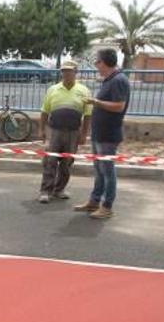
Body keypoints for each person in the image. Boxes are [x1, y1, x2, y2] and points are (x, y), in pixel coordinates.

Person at [74, 48, 130, 220]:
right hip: (100, 133)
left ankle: (107, 206)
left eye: (97, 61)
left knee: (107, 171)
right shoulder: (109, 80)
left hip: (108, 135)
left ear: (104, 62)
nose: (96, 65)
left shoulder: (119, 80)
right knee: (99, 170)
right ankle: (94, 201)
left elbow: (119, 106)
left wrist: (95, 102)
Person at [37, 59, 92, 203]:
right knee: (50, 161)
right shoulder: (53, 89)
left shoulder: (84, 91)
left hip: (73, 132)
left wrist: (84, 134)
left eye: (69, 71)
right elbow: (44, 112)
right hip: (54, 131)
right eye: (63, 71)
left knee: (67, 163)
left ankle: (59, 189)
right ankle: (45, 191)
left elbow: (87, 115)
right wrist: (42, 130)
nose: (66, 74)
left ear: (75, 72)